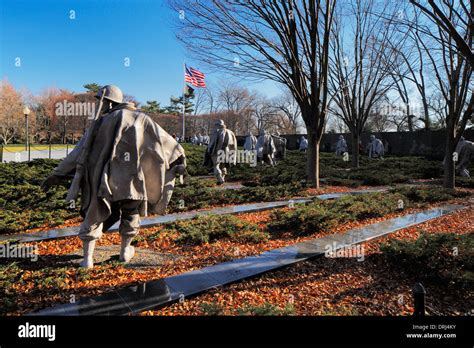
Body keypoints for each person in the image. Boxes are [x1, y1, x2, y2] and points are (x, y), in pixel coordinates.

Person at [41, 85, 186, 269]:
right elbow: (166, 143)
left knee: (94, 214)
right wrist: (179, 162)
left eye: (100, 101)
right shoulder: (142, 118)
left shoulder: (99, 123)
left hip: (103, 180)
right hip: (132, 181)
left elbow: (77, 153)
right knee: (130, 213)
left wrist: (57, 174)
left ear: (108, 102)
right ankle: (125, 251)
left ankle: (87, 259)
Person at [203, 119, 237, 184]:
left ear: (217, 125)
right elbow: (234, 144)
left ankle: (220, 179)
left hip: (217, 151)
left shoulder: (216, 131)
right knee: (223, 166)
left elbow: (212, 142)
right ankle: (223, 178)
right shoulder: (230, 132)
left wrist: (209, 149)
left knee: (216, 166)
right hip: (227, 152)